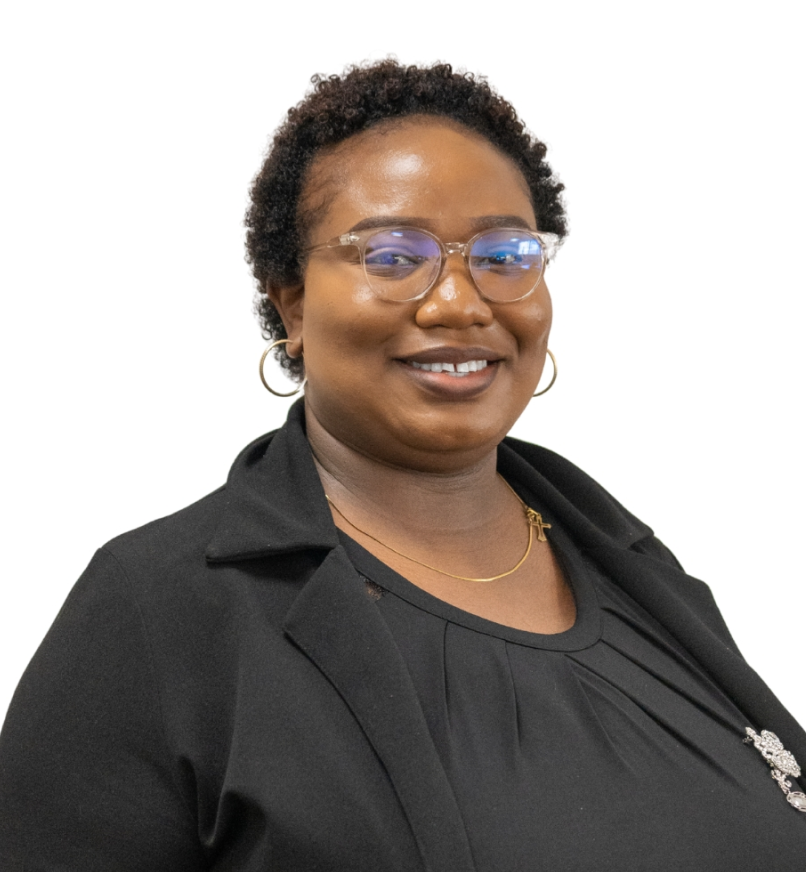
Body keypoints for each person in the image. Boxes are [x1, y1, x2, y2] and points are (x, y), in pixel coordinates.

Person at [0, 60, 804, 871]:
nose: (460, 301)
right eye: (390, 256)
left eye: (503, 254)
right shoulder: (157, 609)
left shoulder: (638, 568)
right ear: (292, 302)